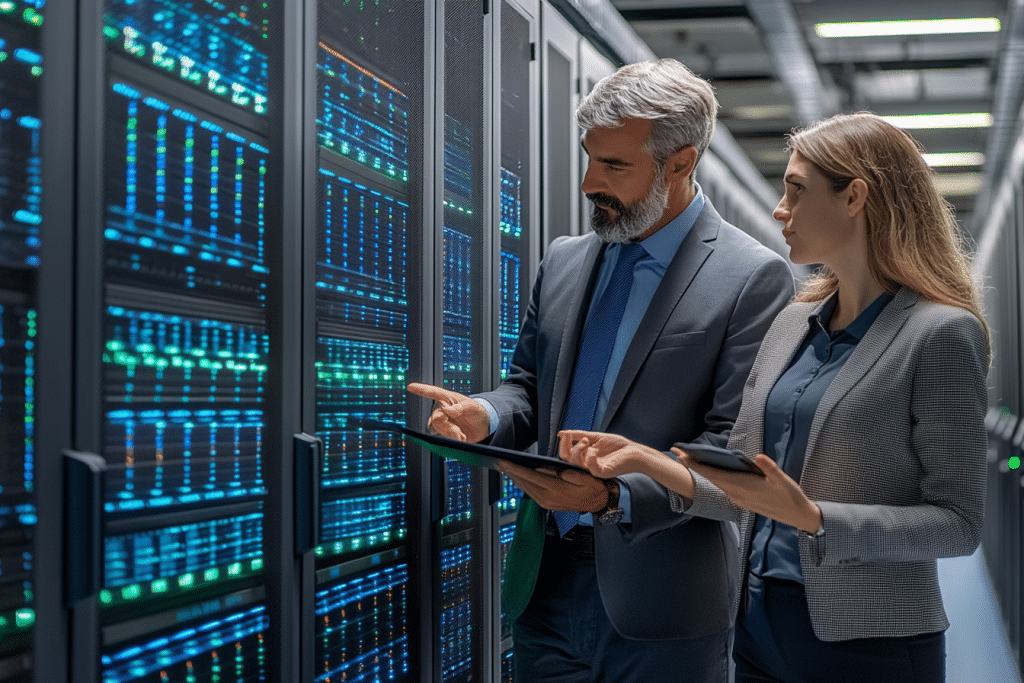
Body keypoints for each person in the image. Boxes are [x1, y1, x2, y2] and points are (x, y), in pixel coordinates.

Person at [560, 111, 990, 683]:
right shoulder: (791, 324)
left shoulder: (937, 333)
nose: (778, 210)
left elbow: (958, 523)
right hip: (758, 626)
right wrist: (647, 461)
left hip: (868, 640)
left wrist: (813, 518)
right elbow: (741, 487)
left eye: (796, 190)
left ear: (854, 196)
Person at [407, 58, 794, 682]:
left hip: (662, 602)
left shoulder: (752, 277)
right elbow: (528, 388)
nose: (591, 182)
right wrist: (485, 413)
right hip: (547, 584)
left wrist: (616, 494)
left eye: (615, 165)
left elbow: (733, 453)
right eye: (590, 158)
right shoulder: (564, 260)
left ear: (680, 163)